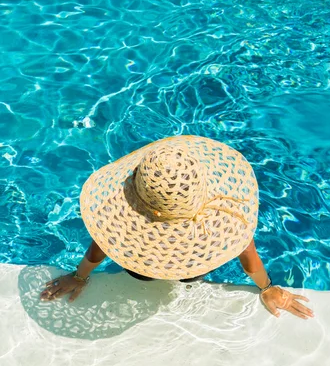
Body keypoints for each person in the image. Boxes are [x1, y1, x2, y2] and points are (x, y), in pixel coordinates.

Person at [40, 135, 313, 320]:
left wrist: (80, 275)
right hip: (197, 260)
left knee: (141, 273)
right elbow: (249, 258)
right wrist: (267, 287)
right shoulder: (224, 218)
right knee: (192, 273)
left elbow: (102, 246)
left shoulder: (123, 220)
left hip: (142, 263)